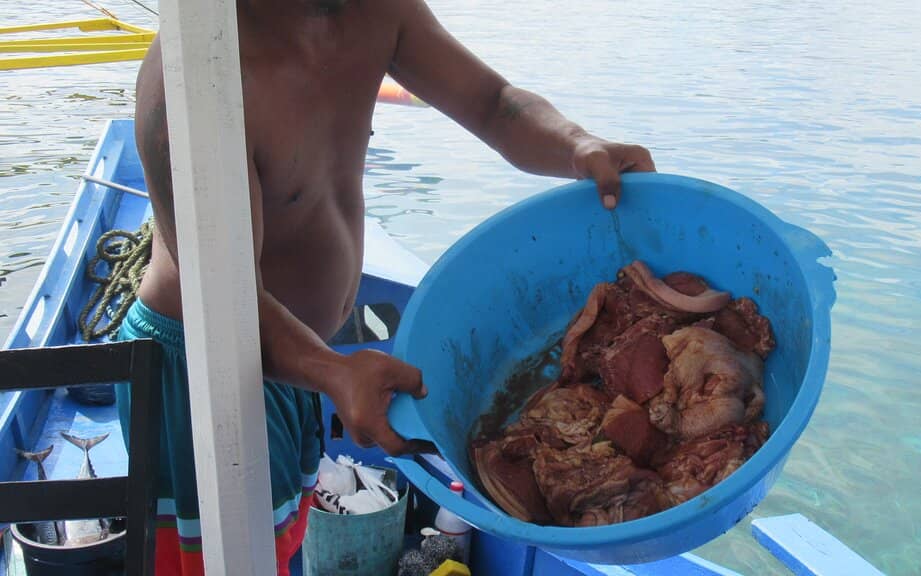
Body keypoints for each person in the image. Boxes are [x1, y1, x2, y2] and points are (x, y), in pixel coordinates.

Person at [119, 0, 656, 573]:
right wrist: (333, 370)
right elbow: (223, 308)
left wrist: (575, 144)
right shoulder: (194, 76)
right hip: (201, 373)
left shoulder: (376, 10)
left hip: (298, 362)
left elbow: (493, 104)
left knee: (278, 544)